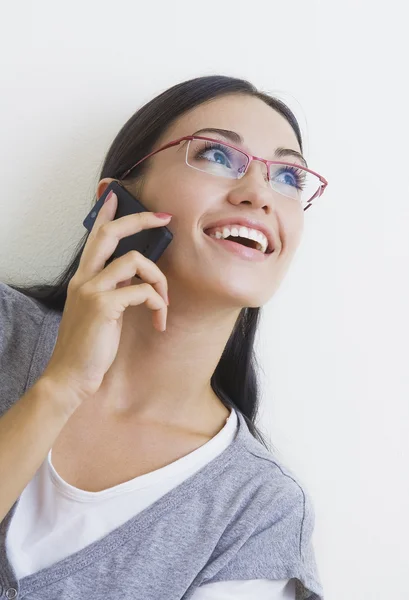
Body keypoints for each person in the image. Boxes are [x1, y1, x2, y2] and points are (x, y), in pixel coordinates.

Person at [0, 75, 328, 599]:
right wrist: (60, 386)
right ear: (115, 202)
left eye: (288, 176)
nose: (260, 195)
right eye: (219, 156)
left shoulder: (257, 511)